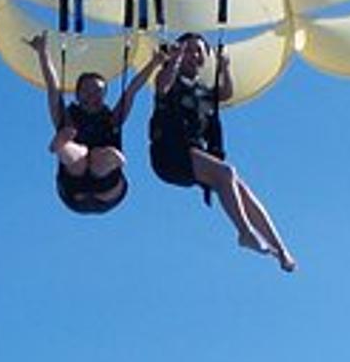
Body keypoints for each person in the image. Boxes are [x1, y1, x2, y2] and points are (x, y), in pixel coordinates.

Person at [149, 33, 295, 271]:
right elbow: (162, 85)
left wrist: (224, 66)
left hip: (192, 156)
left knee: (240, 187)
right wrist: (172, 60)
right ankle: (245, 232)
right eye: (189, 50)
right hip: (170, 154)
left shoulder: (204, 92)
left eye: (199, 51)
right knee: (226, 172)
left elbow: (225, 93)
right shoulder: (170, 82)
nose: (194, 55)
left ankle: (280, 249)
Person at [26, 31, 153, 216]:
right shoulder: (68, 117)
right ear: (77, 95)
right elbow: (53, 88)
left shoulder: (112, 118)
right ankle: (63, 147)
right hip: (73, 188)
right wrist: (42, 52)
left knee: (96, 157)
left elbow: (132, 90)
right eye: (86, 90)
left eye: (97, 91)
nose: (92, 95)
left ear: (104, 96)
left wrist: (155, 62)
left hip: (107, 187)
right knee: (81, 154)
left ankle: (106, 157)